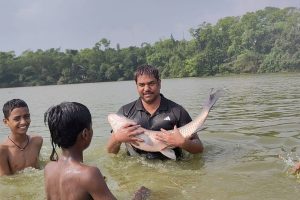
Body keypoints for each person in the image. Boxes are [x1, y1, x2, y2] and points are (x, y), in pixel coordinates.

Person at [44, 102, 150, 200]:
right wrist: (140, 196)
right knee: (145, 191)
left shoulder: (49, 168)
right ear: (85, 134)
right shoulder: (89, 174)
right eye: (91, 127)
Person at [107, 64, 204, 160]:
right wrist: (117, 138)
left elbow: (199, 149)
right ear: (136, 86)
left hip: (173, 168)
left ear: (159, 83)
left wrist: (183, 143)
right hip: (138, 169)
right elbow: (110, 152)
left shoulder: (177, 111)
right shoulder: (125, 112)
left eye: (151, 83)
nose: (146, 89)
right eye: (141, 85)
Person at [0, 99, 43, 176]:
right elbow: (6, 180)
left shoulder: (37, 141)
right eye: (17, 119)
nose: (23, 122)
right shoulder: (3, 150)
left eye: (26, 117)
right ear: (6, 122)